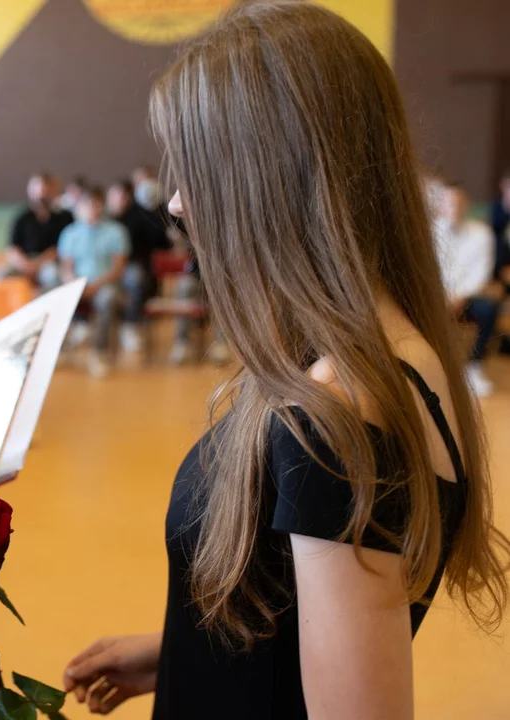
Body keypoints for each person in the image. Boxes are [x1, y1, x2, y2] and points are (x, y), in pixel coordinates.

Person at [64, 5, 508, 718]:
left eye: (196, 167)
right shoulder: (396, 358)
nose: (177, 200)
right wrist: (180, 650)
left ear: (272, 178)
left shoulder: (336, 413)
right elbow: (301, 602)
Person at [434, 181, 500, 397]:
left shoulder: (482, 234)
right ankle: (434, 365)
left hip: (469, 297)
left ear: (466, 205)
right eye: (449, 203)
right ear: (441, 205)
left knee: (489, 308)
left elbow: (481, 273)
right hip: (436, 295)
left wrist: (458, 296)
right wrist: (443, 296)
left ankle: (473, 366)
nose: (454, 208)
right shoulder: (430, 232)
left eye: (458, 203)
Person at [58, 187, 130, 377]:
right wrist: (75, 285)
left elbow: (118, 267)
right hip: (77, 286)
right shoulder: (70, 233)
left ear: (101, 206)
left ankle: (99, 353)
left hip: (104, 285)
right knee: (54, 294)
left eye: (94, 204)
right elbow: (66, 267)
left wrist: (96, 286)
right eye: (86, 204)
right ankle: (60, 349)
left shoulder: (116, 231)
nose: (90, 208)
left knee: (108, 299)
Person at [106, 180, 170, 352]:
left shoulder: (142, 216)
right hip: (107, 268)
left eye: (119, 196)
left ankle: (131, 325)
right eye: (111, 196)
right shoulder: (105, 219)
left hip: (134, 267)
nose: (115, 200)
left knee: (136, 277)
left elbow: (162, 243)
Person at [0, 172, 72, 287]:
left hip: (49, 263)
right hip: (25, 262)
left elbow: (61, 250)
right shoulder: (21, 217)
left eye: (47, 190)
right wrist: (26, 265)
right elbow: (13, 249)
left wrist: (38, 264)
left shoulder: (64, 218)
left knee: (53, 275)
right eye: (38, 190)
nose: (42, 195)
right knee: (2, 275)